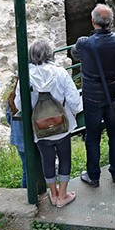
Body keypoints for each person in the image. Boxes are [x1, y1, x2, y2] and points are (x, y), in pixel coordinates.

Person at [15, 39, 82, 208]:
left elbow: (18, 104)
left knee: (47, 159)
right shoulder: (60, 72)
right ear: (49, 54)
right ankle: (63, 194)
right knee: (65, 157)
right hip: (62, 126)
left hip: (40, 128)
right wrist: (73, 111)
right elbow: (74, 100)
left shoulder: (26, 76)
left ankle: (52, 193)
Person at [71, 4, 115, 188]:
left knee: (93, 137)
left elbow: (75, 55)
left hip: (92, 96)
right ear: (111, 22)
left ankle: (93, 176)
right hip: (113, 95)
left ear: (93, 21)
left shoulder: (84, 43)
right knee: (114, 134)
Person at [4, 77, 26, 188]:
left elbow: (8, 118)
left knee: (26, 169)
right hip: (32, 138)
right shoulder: (31, 97)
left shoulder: (10, 98)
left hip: (18, 138)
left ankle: (26, 189)